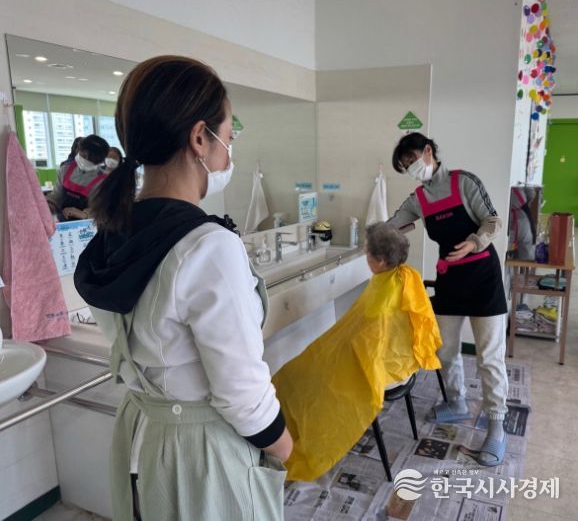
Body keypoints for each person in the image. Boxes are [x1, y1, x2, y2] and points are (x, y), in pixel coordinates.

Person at [74, 56, 292, 521]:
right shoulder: (208, 247)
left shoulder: (114, 232)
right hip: (199, 455)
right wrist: (284, 445)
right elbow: (242, 394)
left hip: (140, 435)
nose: (228, 152)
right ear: (199, 138)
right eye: (228, 137)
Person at [272, 223, 441, 481]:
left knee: (298, 375)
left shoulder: (383, 299)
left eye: (367, 252)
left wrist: (334, 352)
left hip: (384, 367)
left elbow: (369, 347)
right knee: (304, 366)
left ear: (380, 261)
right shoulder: (406, 276)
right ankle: (288, 429)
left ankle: (299, 439)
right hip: (401, 359)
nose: (365, 256)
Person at [387, 132, 509, 467]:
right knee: (446, 349)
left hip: (483, 278)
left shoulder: (463, 182)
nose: (411, 168)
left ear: (428, 151)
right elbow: (394, 223)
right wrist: (375, 235)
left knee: (489, 356)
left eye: (412, 160)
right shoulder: (419, 198)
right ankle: (456, 402)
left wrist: (474, 242)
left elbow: (492, 220)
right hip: (451, 280)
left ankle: (496, 426)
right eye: (406, 165)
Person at [46, 134, 110, 221]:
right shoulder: (65, 170)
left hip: (89, 224)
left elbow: (102, 208)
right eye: (82, 155)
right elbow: (56, 196)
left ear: (99, 160)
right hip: (63, 221)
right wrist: (50, 205)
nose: (84, 160)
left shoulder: (104, 180)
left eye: (89, 159)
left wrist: (83, 214)